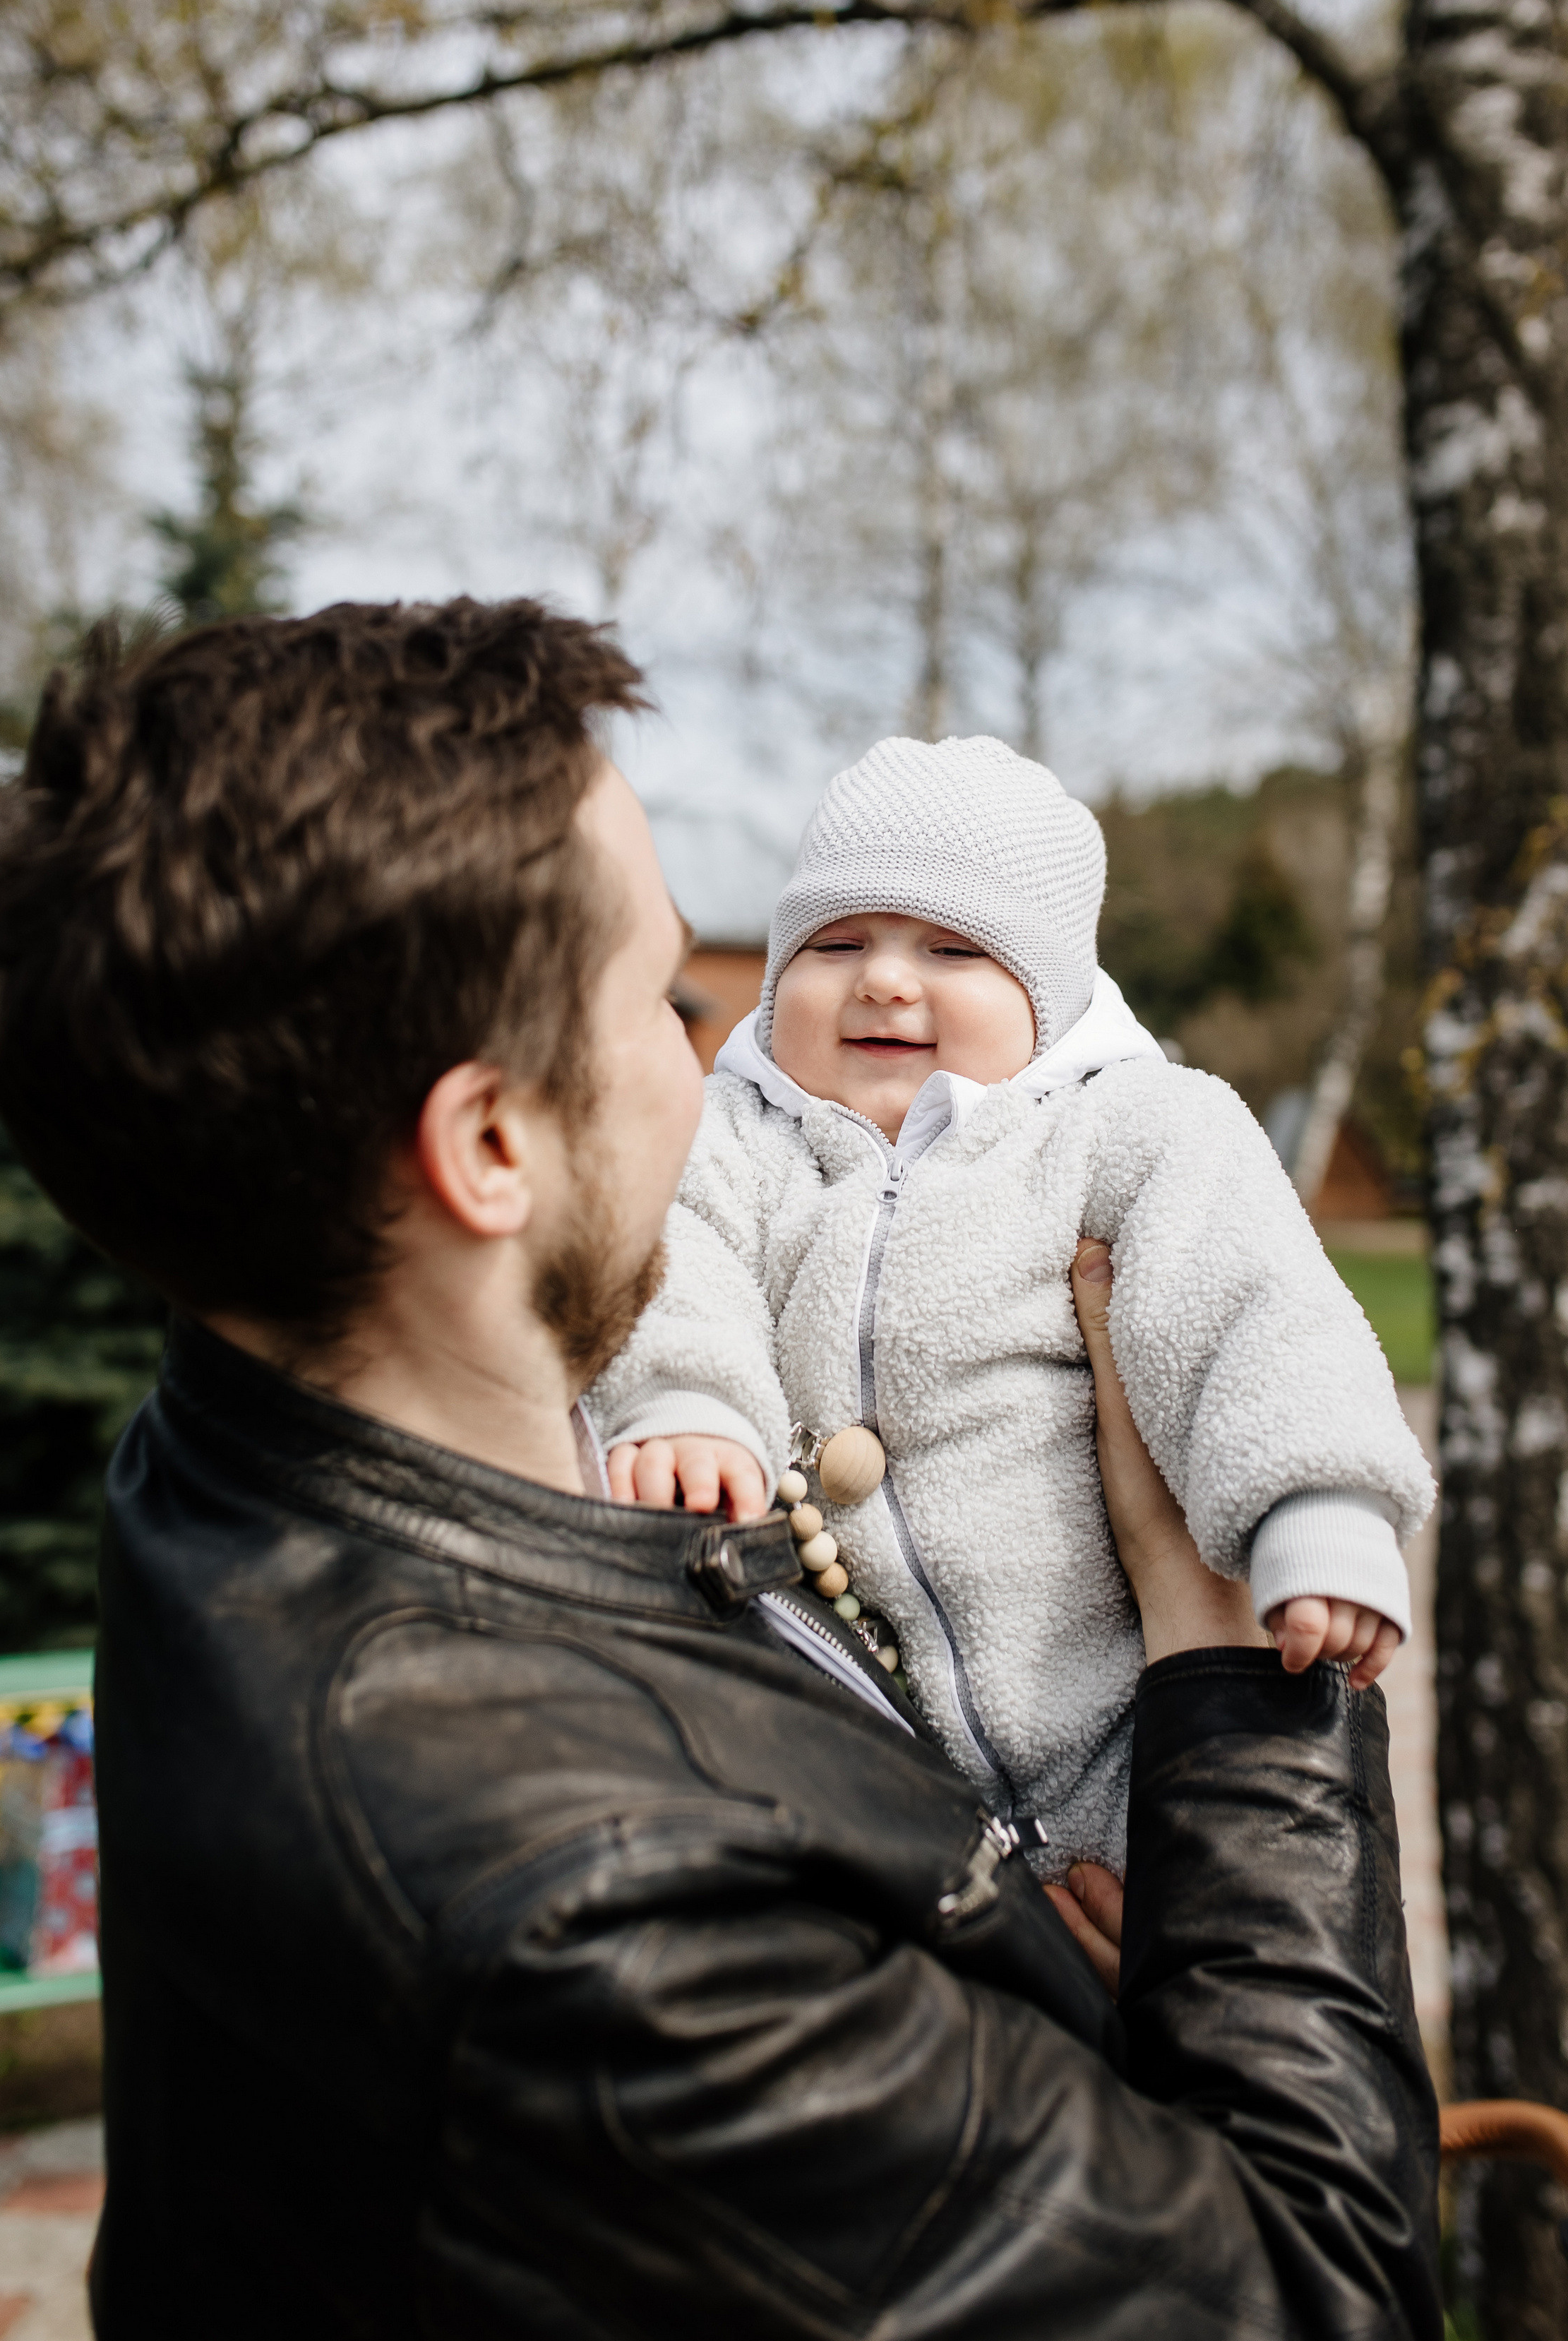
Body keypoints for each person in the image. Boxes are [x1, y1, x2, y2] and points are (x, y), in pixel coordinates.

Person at [0, 602, 1439, 2341]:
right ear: (491, 1144)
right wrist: (1230, 1693)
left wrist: (1007, 1996)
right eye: (663, 996)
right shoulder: (616, 1931)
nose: (718, 1050)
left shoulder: (222, 1462)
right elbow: (1316, 2319)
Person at [594, 735, 1435, 1873]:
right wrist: (689, 1403)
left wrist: (1319, 1506)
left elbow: (1256, 1304)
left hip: (1115, 1745)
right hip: (850, 1767)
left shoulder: (1136, 1127)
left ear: (1052, 995)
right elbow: (672, 1259)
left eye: (953, 949)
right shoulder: (736, 1134)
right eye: (836, 943)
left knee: (1203, 1910)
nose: (885, 980)